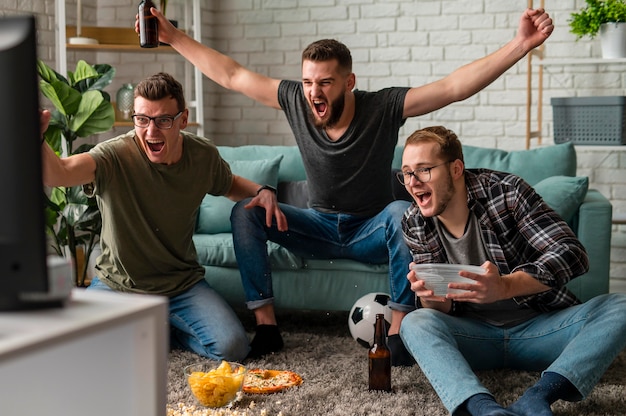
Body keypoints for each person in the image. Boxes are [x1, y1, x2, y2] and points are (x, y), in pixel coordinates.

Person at [137, 7, 555, 364]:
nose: (313, 92)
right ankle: (266, 328)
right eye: (307, 82)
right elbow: (230, 74)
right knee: (244, 213)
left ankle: (396, 332)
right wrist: (172, 36)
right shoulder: (297, 102)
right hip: (317, 226)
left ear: (349, 82)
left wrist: (520, 45)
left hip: (368, 228)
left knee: (399, 213)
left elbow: (451, 88)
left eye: (324, 83)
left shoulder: (383, 107)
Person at [40, 72, 287, 362]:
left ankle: (161, 328)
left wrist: (263, 190)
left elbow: (229, 183)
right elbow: (60, 173)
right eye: (142, 119)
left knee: (233, 348)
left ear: (183, 120)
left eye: (163, 120)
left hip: (181, 286)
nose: (151, 131)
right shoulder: (114, 156)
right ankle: (154, 328)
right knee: (86, 351)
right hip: (119, 285)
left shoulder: (201, 155)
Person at [397, 126, 626, 416]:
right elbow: (441, 309)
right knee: (415, 322)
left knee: (620, 306)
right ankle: (483, 409)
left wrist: (504, 286)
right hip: (474, 336)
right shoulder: (414, 220)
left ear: (456, 168)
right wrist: (429, 296)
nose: (413, 182)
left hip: (541, 328)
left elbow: (572, 254)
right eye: (406, 172)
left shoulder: (507, 193)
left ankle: (540, 396)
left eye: (424, 170)